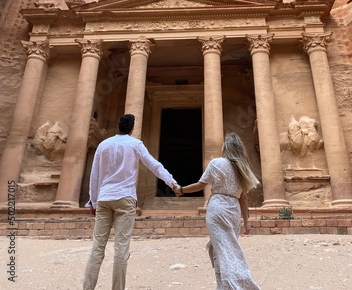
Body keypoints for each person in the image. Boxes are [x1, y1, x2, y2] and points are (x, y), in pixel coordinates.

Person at [83, 114, 180, 290]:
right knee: (121, 249)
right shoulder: (135, 144)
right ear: (133, 128)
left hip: (104, 198)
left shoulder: (103, 145)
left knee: (97, 248)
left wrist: (93, 201)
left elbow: (95, 175)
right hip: (125, 198)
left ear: (118, 127)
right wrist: (172, 182)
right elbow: (154, 165)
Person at [177, 132, 261, 290]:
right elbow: (243, 199)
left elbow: (200, 185)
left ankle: (235, 283)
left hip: (217, 208)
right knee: (223, 247)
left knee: (223, 249)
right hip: (233, 211)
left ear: (226, 147)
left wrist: (181, 190)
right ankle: (222, 285)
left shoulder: (216, 163)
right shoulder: (242, 168)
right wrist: (247, 221)